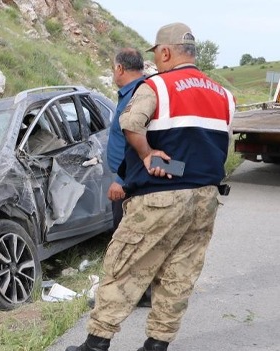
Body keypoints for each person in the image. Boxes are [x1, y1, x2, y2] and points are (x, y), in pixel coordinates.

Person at [66, 22, 235, 351]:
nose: (155, 61)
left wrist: (147, 155)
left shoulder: (157, 86)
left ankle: (96, 344)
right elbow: (217, 146)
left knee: (123, 264)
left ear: (167, 51)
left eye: (156, 54)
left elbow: (130, 123)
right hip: (206, 197)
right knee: (180, 273)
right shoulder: (223, 94)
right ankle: (157, 344)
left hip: (161, 195)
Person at [106, 48, 152, 308]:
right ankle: (140, 293)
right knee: (132, 237)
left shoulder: (137, 94)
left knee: (126, 238)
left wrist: (121, 179)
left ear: (120, 69)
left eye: (114, 68)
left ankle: (129, 295)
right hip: (131, 176)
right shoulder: (134, 92)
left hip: (130, 179)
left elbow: (134, 138)